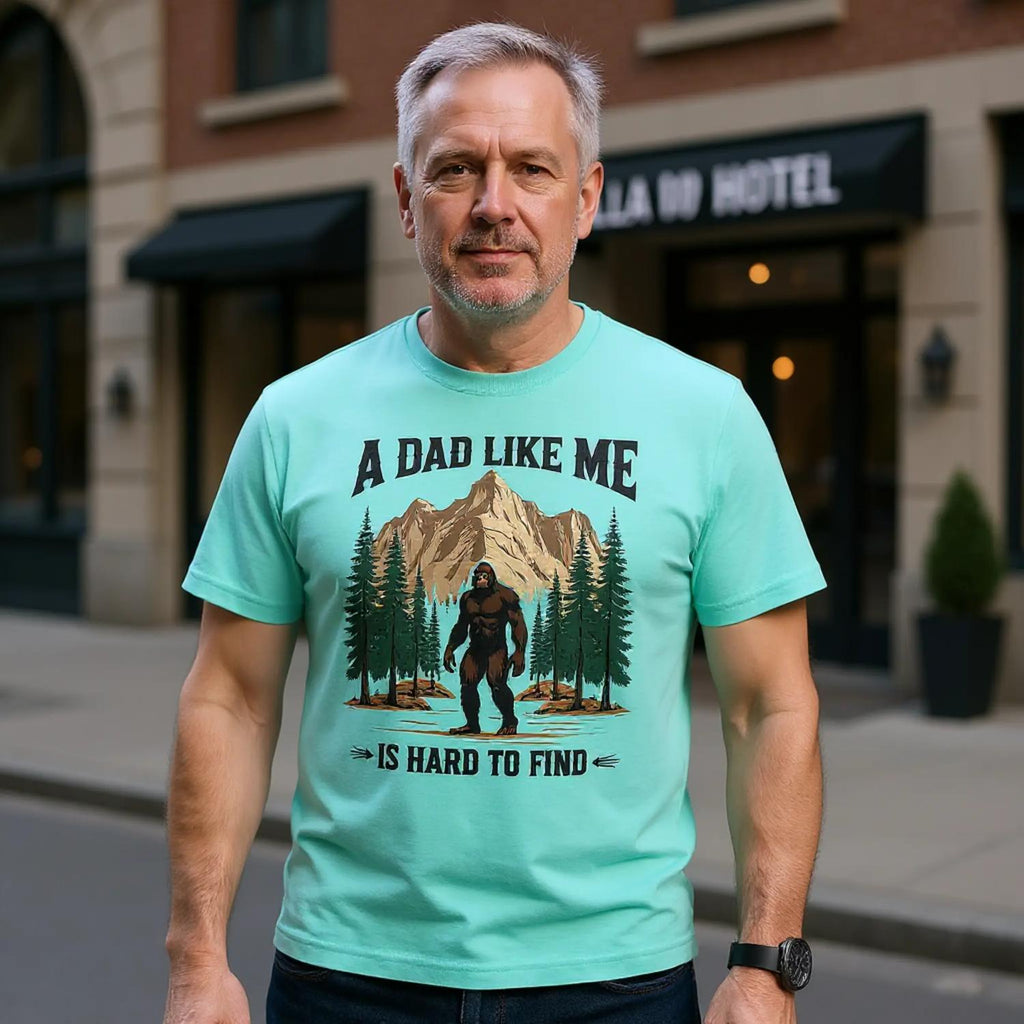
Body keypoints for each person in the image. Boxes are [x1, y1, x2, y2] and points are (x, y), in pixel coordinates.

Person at [162, 21, 825, 1024]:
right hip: (348, 977)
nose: (493, 205)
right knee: (475, 688)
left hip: (614, 983)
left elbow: (770, 705)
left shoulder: (705, 416)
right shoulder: (296, 417)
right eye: (456, 168)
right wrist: (195, 958)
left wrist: (767, 963)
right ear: (405, 198)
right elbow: (230, 699)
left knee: (496, 689)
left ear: (586, 198)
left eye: (531, 168)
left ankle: (500, 713)